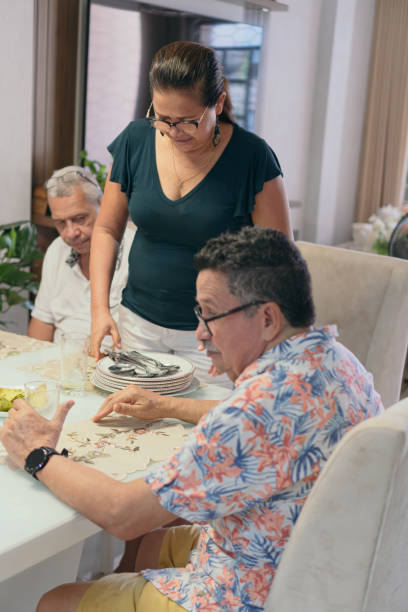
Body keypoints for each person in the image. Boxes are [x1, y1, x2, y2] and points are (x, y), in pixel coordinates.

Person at [1, 227, 383, 612]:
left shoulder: (248, 413)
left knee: (55, 601)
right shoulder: (337, 360)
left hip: (256, 594)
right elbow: (271, 427)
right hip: (319, 562)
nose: (200, 334)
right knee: (153, 543)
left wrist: (39, 454)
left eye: (212, 315)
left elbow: (122, 513)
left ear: (268, 318)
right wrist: (167, 405)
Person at [90, 40, 292, 385]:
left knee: (206, 432)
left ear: (219, 104)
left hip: (218, 336)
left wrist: (247, 340)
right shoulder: (135, 140)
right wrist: (99, 311)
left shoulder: (252, 158)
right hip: (138, 325)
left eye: (186, 121)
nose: (172, 132)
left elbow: (278, 260)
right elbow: (107, 230)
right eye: (162, 119)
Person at [28, 166, 133, 343]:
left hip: (116, 363)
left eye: (79, 218)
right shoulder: (57, 249)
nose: (70, 233)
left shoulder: (133, 250)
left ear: (103, 204)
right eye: (61, 223)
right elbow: (42, 321)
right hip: (62, 362)